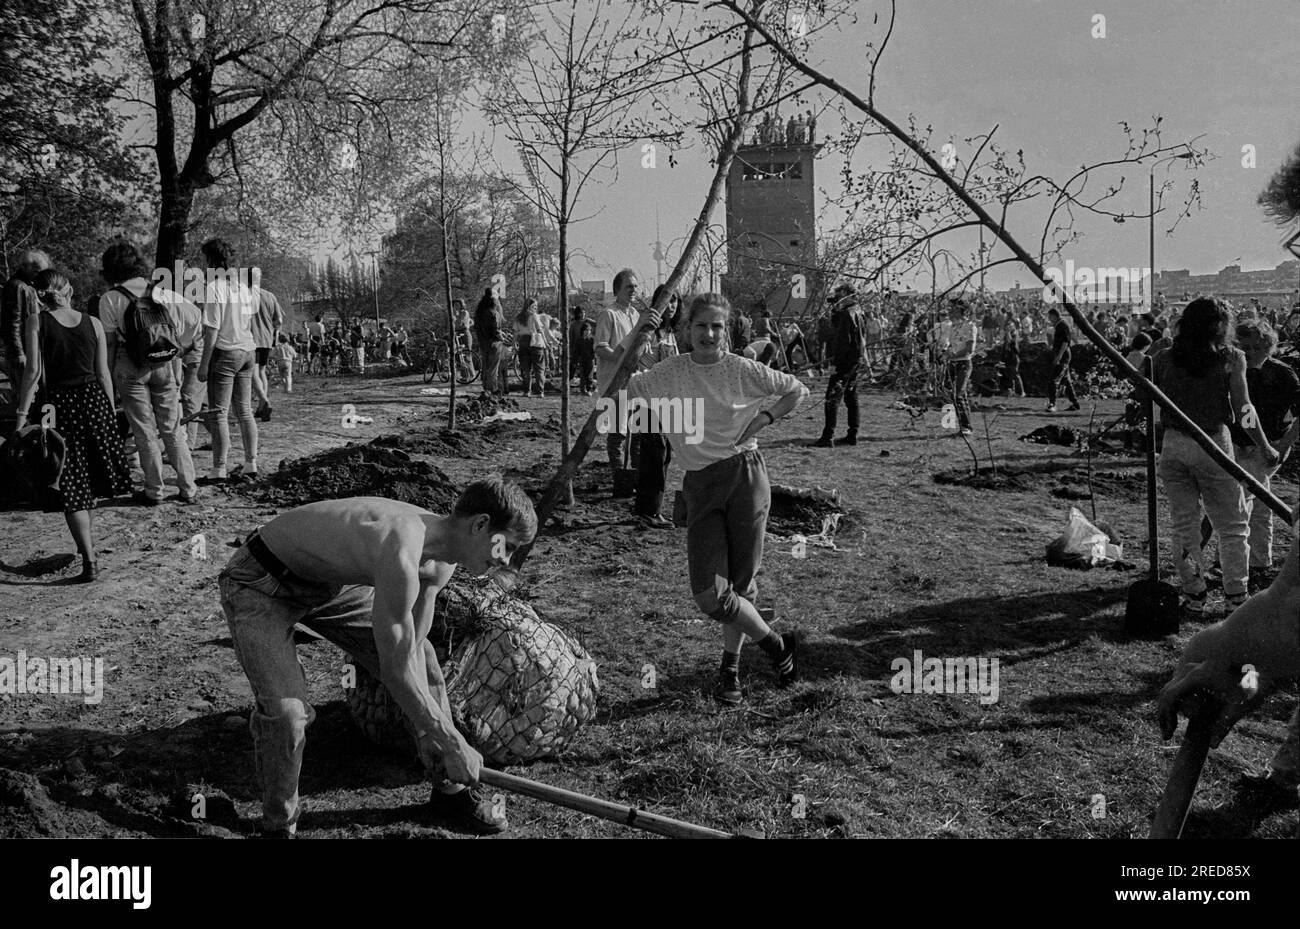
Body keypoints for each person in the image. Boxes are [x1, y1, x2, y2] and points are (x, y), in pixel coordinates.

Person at [218, 479, 537, 836]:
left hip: (329, 585)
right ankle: (279, 825)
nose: (505, 560)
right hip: (260, 581)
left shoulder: (439, 562)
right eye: (505, 545)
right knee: (287, 713)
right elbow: (395, 671)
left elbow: (411, 651)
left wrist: (439, 739)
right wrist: (452, 741)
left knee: (426, 660)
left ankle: (450, 791)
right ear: (479, 525)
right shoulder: (402, 547)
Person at [627, 293, 808, 704]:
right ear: (686, 330)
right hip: (699, 484)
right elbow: (616, 383)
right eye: (700, 326)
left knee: (742, 584)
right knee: (709, 593)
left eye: (716, 326)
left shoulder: (741, 369)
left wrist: (764, 418)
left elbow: (796, 390)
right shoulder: (668, 372)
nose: (708, 334)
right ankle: (778, 646)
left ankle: (731, 669)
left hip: (745, 476)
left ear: (726, 331)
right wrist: (638, 333)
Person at [1151, 297, 1277, 617]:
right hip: (1213, 444)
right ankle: (1236, 596)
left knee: (1185, 525)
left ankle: (1195, 594)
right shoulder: (1230, 358)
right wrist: (1264, 445)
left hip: (1174, 444)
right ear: (1221, 327)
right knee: (1233, 524)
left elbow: (1144, 395)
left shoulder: (1164, 357)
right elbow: (1243, 410)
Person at [12, 269, 131, 581]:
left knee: (70, 483)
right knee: (88, 478)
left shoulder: (37, 321)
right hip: (95, 403)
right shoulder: (92, 322)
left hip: (59, 406)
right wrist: (110, 411)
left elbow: (33, 373)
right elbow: (103, 373)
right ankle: (85, 546)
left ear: (40, 295)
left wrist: (22, 415)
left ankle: (89, 561)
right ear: (69, 290)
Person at [98, 241, 201, 505]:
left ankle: (154, 491)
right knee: (172, 428)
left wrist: (108, 377)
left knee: (144, 430)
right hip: (163, 364)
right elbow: (192, 318)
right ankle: (188, 487)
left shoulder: (110, 298)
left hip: (129, 365)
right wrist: (182, 350)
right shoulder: (162, 293)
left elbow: (109, 345)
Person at [1229, 319, 1300, 590]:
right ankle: (1255, 561)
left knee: (1248, 500)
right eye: (1244, 346)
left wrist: (1281, 447)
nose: (1250, 352)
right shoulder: (1236, 370)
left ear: (1268, 347)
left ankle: (1247, 562)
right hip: (1238, 443)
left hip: (1268, 444)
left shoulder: (1282, 375)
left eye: (1256, 347)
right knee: (1252, 502)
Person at [197, 238, 259, 483]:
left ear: (212, 261)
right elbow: (250, 322)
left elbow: (211, 330)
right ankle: (251, 462)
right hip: (247, 350)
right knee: (244, 410)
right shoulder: (244, 288)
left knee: (218, 413)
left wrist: (203, 365)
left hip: (225, 351)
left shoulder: (214, 288)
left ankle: (219, 468)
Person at [632, 286, 680, 529]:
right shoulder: (649, 331)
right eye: (667, 300)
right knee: (655, 451)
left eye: (675, 300)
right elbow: (636, 361)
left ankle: (650, 508)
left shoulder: (671, 333)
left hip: (668, 400)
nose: (671, 305)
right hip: (648, 400)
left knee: (664, 453)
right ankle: (649, 511)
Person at [594, 269, 645, 494]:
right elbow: (601, 346)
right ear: (617, 290)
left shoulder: (635, 315)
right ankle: (619, 478)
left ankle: (633, 476)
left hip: (633, 381)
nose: (633, 291)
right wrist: (618, 356)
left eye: (635, 286)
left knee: (636, 432)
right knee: (618, 433)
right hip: (614, 382)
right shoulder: (609, 315)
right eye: (629, 287)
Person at [813, 282, 865, 447]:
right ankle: (853, 434)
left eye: (840, 294)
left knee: (832, 398)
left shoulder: (847, 314)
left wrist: (836, 363)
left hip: (845, 361)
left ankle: (828, 436)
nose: (837, 297)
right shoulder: (859, 312)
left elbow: (843, 341)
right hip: (856, 359)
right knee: (851, 397)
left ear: (847, 294)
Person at [2, 249, 51, 400]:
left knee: (38, 394)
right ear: (25, 268)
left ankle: (43, 422)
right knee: (28, 395)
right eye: (38, 271)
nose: (42, 276)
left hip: (33, 349)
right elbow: (12, 322)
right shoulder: (18, 287)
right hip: (24, 351)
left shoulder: (30, 286)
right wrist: (19, 353)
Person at [249, 269, 284, 421]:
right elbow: (279, 321)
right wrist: (272, 331)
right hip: (266, 339)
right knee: (262, 371)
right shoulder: (270, 296)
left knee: (253, 372)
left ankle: (264, 401)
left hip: (251, 338)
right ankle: (260, 407)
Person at [1044, 307, 1081, 413]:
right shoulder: (1059, 325)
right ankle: (1075, 403)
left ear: (1054, 316)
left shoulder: (1062, 325)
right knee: (1066, 381)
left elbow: (1065, 342)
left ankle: (1052, 404)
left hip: (1063, 355)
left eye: (1050, 317)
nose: (1050, 319)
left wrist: (1059, 357)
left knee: (1053, 380)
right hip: (1063, 354)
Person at [474, 289, 503, 398]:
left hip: (483, 343)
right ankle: (493, 389)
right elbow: (495, 330)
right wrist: (502, 338)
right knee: (493, 369)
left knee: (486, 367)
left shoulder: (479, 313)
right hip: (494, 344)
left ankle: (486, 389)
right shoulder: (494, 313)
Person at [515, 298, 546, 397]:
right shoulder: (534, 316)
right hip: (534, 341)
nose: (536, 308)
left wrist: (514, 343)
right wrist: (545, 342)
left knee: (525, 368)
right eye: (535, 306)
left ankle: (527, 391)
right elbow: (539, 330)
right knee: (539, 368)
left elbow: (515, 332)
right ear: (530, 306)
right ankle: (540, 391)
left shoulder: (518, 317)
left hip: (523, 341)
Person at [569, 305, 595, 394]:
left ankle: (589, 388)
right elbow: (571, 338)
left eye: (584, 313)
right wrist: (572, 351)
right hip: (578, 348)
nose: (583, 314)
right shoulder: (573, 324)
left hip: (588, 348)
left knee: (589, 371)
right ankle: (582, 388)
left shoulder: (588, 321)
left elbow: (598, 324)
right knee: (581, 370)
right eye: (581, 313)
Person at [999, 318, 1024, 398]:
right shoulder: (1008, 334)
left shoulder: (1014, 334)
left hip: (1014, 357)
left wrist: (1008, 333)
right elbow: (1005, 344)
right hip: (1008, 357)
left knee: (1015, 375)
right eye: (1007, 326)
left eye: (1010, 325)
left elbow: (1011, 342)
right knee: (1009, 375)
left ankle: (1021, 392)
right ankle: (1011, 391)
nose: (1008, 327)